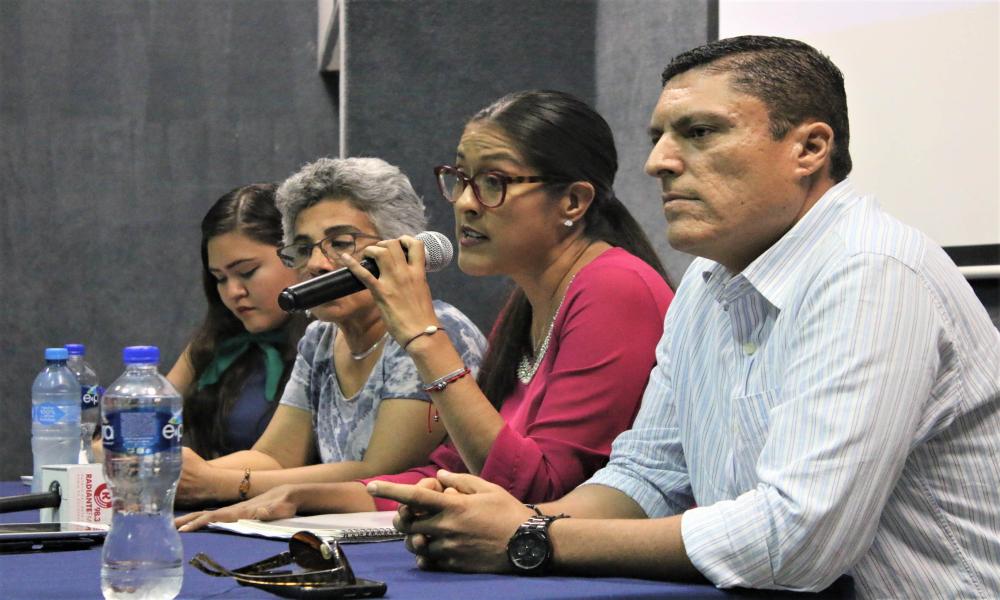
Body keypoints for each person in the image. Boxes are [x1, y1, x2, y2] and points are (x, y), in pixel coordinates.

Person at [367, 36, 1000, 599]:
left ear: (809, 148)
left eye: (699, 132)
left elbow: (797, 542)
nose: (658, 162)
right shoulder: (708, 276)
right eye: (659, 137)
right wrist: (513, 524)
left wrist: (531, 536)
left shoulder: (872, 270)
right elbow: (649, 472)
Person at [175, 90, 674, 530]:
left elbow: (539, 490)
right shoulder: (527, 301)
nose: (465, 203)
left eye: (493, 182)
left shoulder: (614, 288)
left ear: (573, 201)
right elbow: (448, 472)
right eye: (460, 178)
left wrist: (421, 335)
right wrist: (302, 496)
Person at [174, 157, 487, 506]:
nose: (316, 264)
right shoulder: (320, 338)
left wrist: (219, 484)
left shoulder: (432, 332)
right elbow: (275, 457)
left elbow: (380, 471)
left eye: (340, 243)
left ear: (400, 248)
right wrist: (176, 475)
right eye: (304, 249)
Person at [167, 183, 307, 458]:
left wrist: (202, 478)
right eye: (220, 278)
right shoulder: (216, 341)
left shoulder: (327, 343)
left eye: (247, 271)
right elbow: (144, 420)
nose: (233, 292)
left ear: (296, 255)